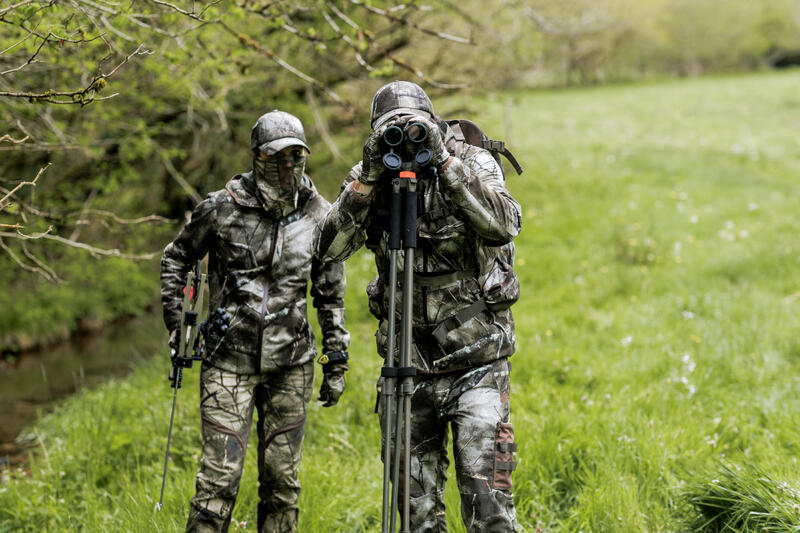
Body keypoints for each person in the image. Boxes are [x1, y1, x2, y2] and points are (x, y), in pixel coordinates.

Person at [314, 81, 521, 532]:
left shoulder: (472, 161)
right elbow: (327, 248)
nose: (406, 142)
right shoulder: (370, 175)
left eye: (416, 130)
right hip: (406, 364)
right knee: (415, 514)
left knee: (490, 504)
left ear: (435, 123)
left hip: (479, 359)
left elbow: (505, 224)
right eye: (393, 132)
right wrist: (367, 181)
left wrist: (444, 162)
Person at [160, 109, 350, 533]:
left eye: (296, 157)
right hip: (227, 363)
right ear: (256, 156)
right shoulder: (221, 208)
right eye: (277, 157)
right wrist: (178, 325)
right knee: (217, 484)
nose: (287, 167)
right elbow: (176, 257)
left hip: (292, 365)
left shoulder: (321, 215)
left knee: (282, 484)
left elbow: (330, 291)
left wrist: (336, 358)